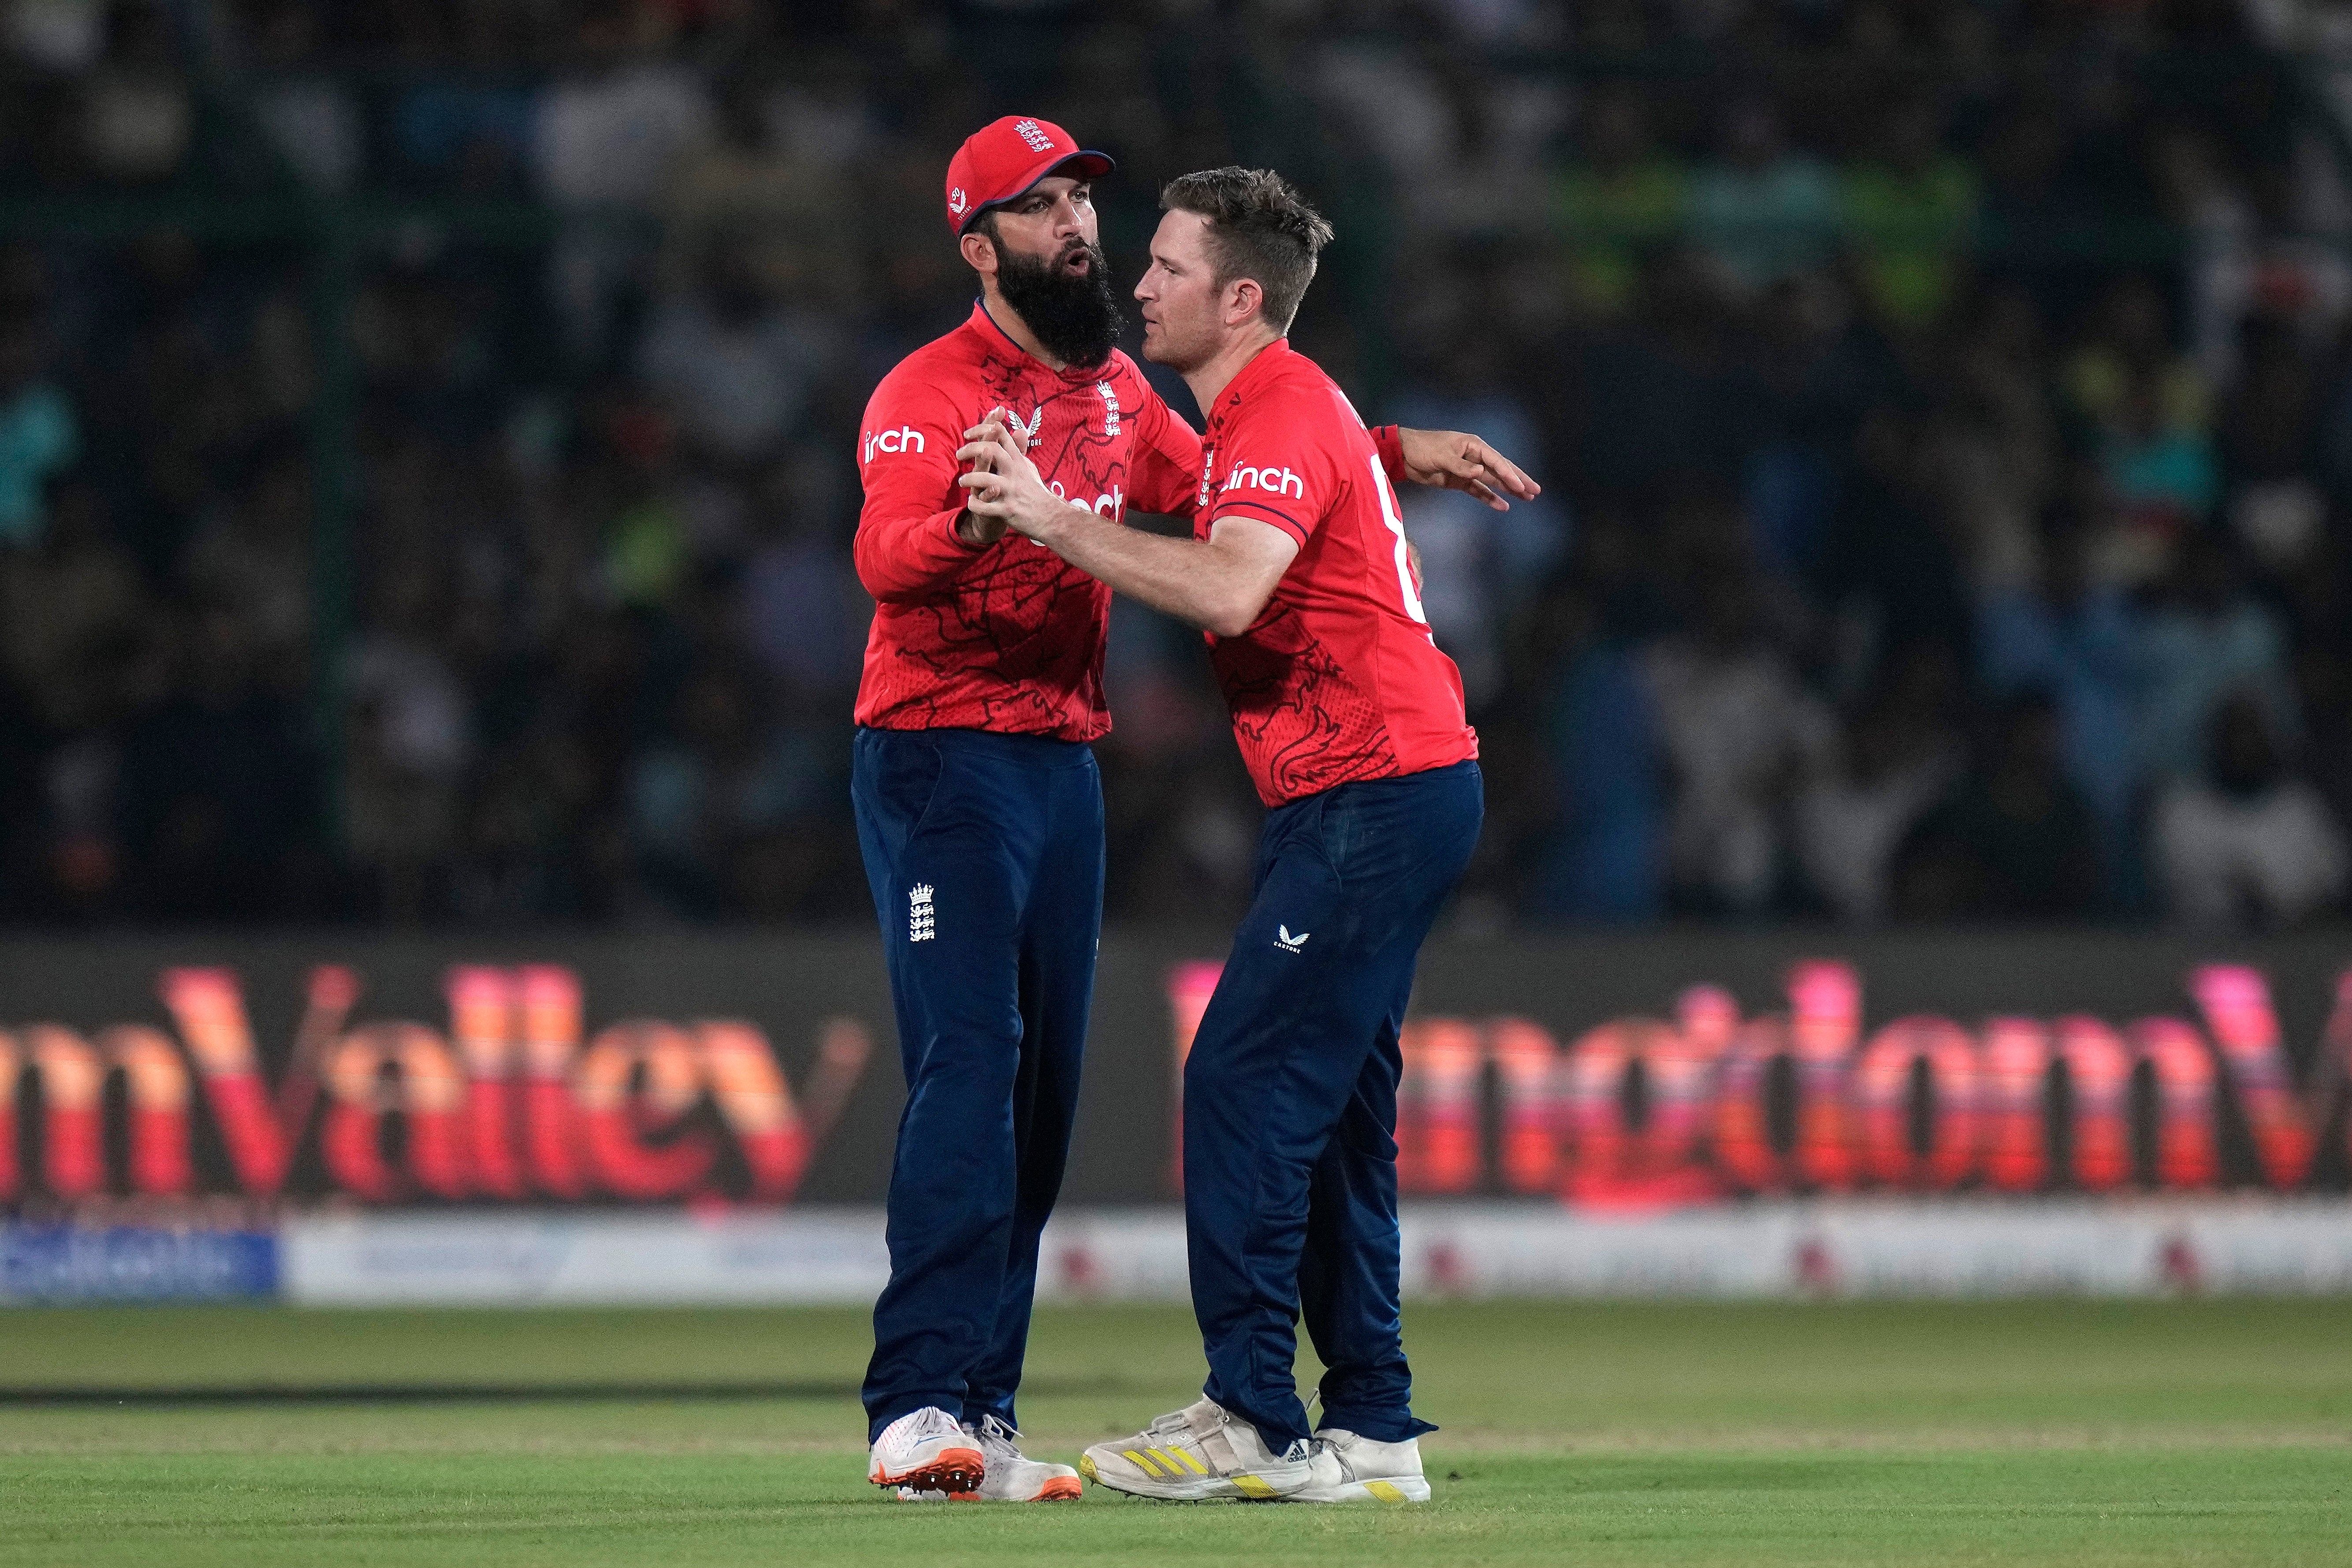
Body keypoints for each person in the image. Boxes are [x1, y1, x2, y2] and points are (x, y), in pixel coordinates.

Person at [854, 120, 1534, 1503]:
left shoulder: (1120, 394)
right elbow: (884, 549)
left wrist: (1385, 446)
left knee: (1049, 1098)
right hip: (942, 758)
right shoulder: (928, 391)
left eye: (1092, 210)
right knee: (979, 1066)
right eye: (1046, 212)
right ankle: (923, 1404)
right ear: (980, 247)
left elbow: (1238, 495)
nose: (1087, 238)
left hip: (1074, 770)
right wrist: (981, 527)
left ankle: (995, 1408)